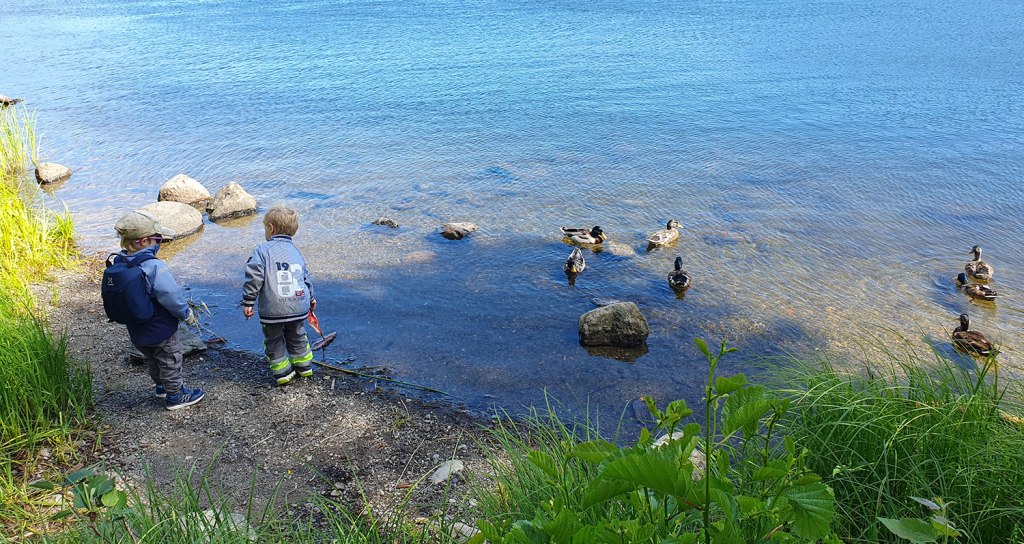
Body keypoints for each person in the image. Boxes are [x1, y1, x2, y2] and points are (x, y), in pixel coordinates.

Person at [112, 210, 205, 410]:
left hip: (137, 327)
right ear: (143, 242)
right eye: (158, 240)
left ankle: (161, 386)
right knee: (170, 358)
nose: (160, 243)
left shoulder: (119, 262)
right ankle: (176, 395)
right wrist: (186, 314)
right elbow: (170, 294)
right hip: (160, 325)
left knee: (151, 358)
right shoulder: (153, 266)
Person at [242, 206, 316, 385]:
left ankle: (283, 372)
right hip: (298, 304)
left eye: (265, 229)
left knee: (274, 339)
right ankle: (304, 367)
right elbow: (305, 277)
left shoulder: (262, 249)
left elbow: (254, 277)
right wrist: (312, 298)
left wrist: (248, 301)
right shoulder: (296, 251)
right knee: (297, 334)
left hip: (273, 308)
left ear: (271, 228)